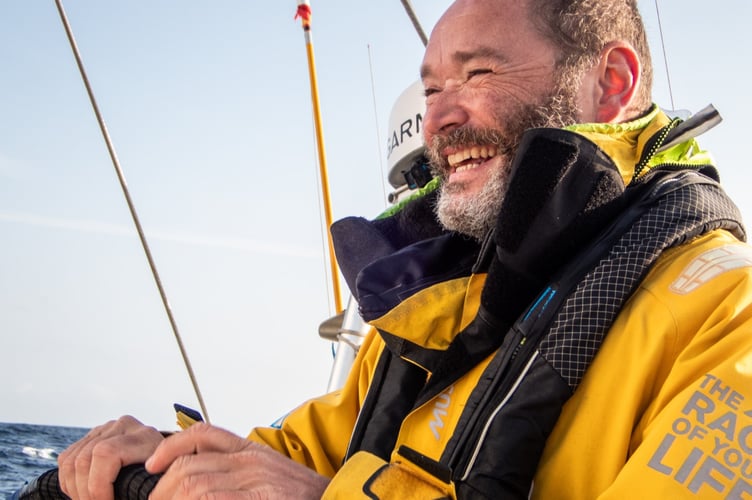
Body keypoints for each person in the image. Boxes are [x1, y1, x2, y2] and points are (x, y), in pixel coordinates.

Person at [58, 0, 752, 498]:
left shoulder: (728, 317)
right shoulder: (441, 313)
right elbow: (297, 454)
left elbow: (309, 482)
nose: (440, 118)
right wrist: (167, 455)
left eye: (477, 74)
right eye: (431, 87)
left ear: (612, 84)